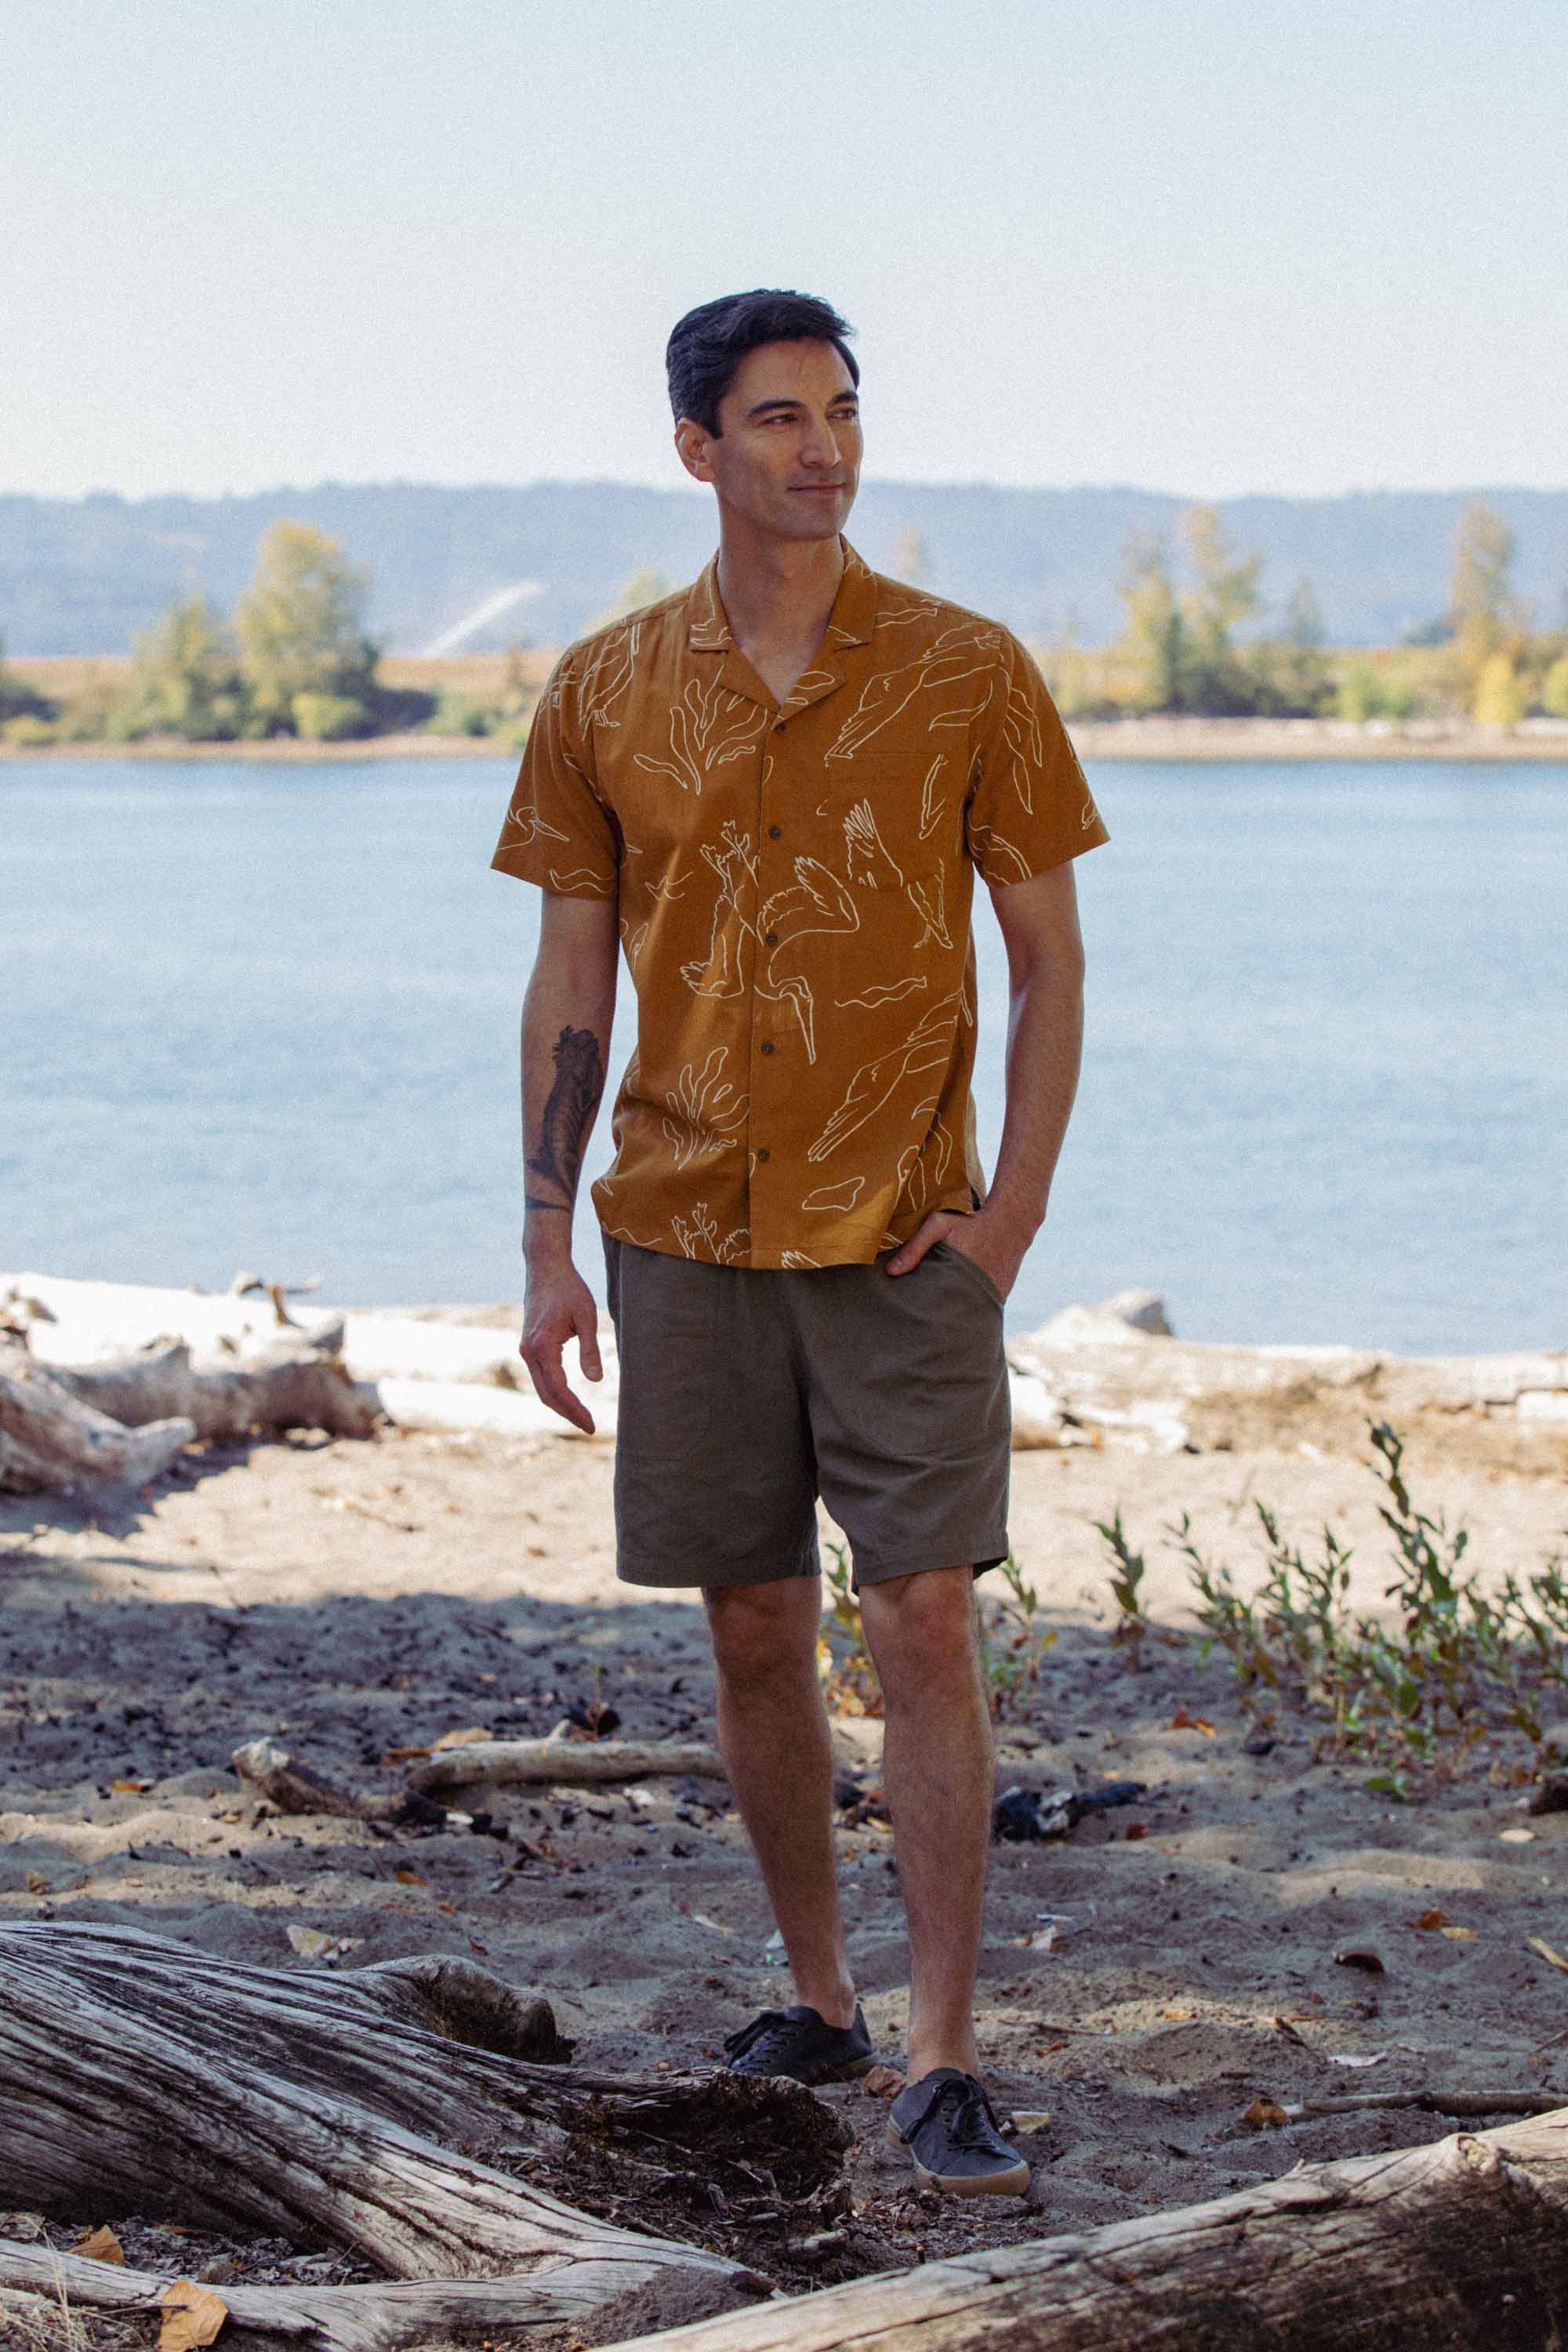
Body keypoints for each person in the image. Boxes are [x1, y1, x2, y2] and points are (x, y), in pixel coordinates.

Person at [492, 288, 1107, 2198]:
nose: (820, 445)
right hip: (680, 1227)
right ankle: (822, 2002)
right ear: (699, 448)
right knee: (750, 1621)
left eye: (839, 410)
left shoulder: (967, 671)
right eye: (775, 417)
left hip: (903, 1239)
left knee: (921, 1617)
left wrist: (1008, 1219)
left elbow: (1048, 960)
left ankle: (939, 2052)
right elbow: (568, 977)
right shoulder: (603, 690)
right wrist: (541, 1245)